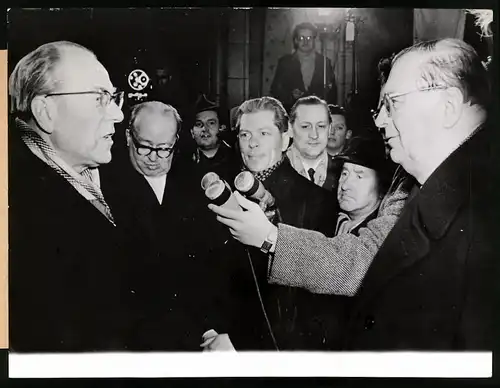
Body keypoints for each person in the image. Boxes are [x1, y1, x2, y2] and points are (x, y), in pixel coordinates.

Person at [209, 38, 494, 350]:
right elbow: (366, 257)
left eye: (393, 103)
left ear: (448, 106)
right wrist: (269, 236)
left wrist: (270, 237)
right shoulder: (412, 180)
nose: (379, 120)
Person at [8, 40, 131, 352]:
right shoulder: (15, 206)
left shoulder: (108, 170)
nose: (118, 114)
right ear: (46, 111)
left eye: (114, 97)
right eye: (100, 99)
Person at [100, 101, 238, 351]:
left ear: (176, 140)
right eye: (144, 147)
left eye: (164, 148)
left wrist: (212, 327)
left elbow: (214, 266)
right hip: (130, 339)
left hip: (194, 333)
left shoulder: (196, 181)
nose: (154, 158)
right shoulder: (104, 184)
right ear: (128, 136)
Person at [222, 96, 337, 350]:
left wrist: (238, 341)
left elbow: (307, 301)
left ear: (285, 139)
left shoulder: (317, 201)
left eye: (264, 133)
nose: (252, 144)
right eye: (244, 135)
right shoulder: (226, 191)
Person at [270, 22, 337, 112]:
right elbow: (275, 90)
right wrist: (291, 96)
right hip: (293, 114)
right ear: (296, 40)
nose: (306, 42)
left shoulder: (324, 62)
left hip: (318, 113)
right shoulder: (285, 63)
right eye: (301, 38)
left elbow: (332, 93)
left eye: (309, 38)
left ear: (314, 40)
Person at [286, 95, 342, 192]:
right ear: (290, 129)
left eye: (321, 126)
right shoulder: (270, 171)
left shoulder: (342, 173)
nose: (314, 135)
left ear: (329, 130)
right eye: (305, 126)